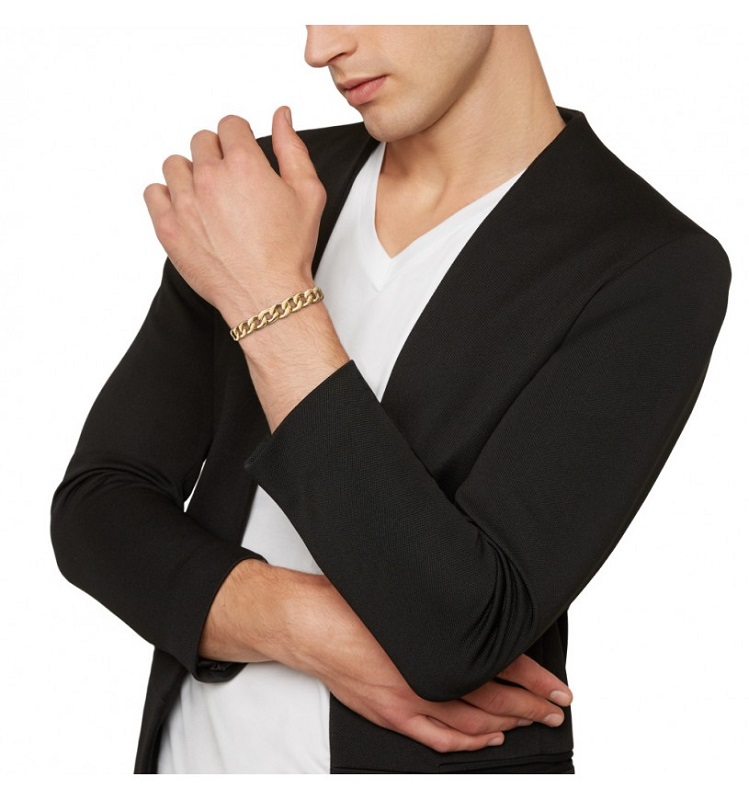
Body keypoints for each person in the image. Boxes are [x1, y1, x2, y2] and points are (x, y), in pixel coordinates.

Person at [51, 25, 730, 774]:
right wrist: (307, 628)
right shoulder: (260, 194)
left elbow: (455, 633)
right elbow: (96, 509)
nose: (320, 47)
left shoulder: (649, 264)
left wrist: (272, 301)